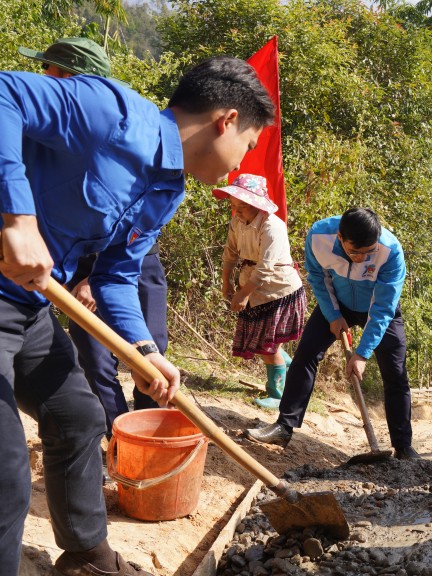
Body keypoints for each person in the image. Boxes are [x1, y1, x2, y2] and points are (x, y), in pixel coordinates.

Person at [0, 57, 273, 574]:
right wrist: (17, 219)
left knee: (79, 418)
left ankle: (86, 556)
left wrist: (146, 353)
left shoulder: (167, 191)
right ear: (227, 120)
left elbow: (116, 276)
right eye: (249, 147)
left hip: (29, 305)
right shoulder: (110, 112)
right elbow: (4, 94)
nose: (241, 165)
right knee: (7, 467)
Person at [19, 38, 166, 452]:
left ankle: (147, 441)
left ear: (72, 81)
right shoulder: (43, 129)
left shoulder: (118, 130)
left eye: (50, 71)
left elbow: (113, 215)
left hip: (130, 265)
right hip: (63, 276)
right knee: (95, 362)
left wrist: (92, 279)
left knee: (149, 354)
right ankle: (118, 439)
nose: (42, 79)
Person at [246, 208, 419, 459]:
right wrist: (334, 315)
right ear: (340, 237)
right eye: (354, 252)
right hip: (337, 303)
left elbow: (383, 309)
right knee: (306, 354)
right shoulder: (319, 236)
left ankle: (403, 446)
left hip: (377, 307)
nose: (360, 259)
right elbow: (317, 277)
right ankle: (284, 426)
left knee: (395, 371)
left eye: (368, 252)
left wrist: (361, 354)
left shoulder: (391, 251)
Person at [217, 173, 306, 409]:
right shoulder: (237, 223)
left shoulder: (272, 226)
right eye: (234, 206)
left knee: (267, 345)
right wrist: (226, 281)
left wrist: (243, 293)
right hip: (254, 287)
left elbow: (266, 268)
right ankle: (284, 363)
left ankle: (277, 395)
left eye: (243, 207)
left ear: (257, 205)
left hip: (278, 290)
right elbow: (231, 253)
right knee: (264, 341)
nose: (237, 212)